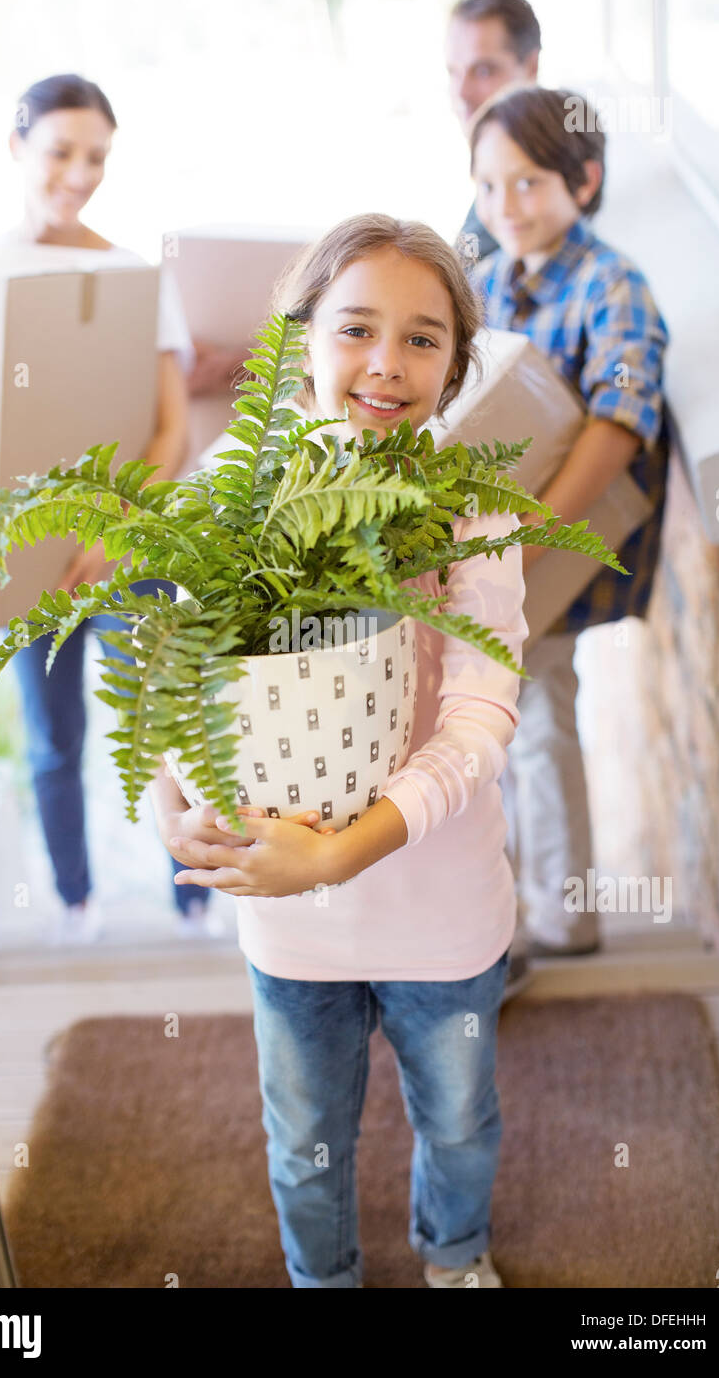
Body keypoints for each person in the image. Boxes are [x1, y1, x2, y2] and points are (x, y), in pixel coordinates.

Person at [148, 213, 530, 1287]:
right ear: (298, 340)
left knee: (458, 1122)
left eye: (422, 338)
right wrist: (172, 799)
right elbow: (180, 683)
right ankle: (324, 1279)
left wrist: (342, 851)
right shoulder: (234, 489)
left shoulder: (468, 512)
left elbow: (479, 717)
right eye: (356, 327)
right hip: (290, 912)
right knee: (307, 1143)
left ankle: (453, 1258)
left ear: (455, 364)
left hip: (440, 909)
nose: (384, 363)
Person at [0, 74, 215, 943]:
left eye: (98, 158)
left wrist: (119, 532)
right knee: (53, 743)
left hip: (132, 548)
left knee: (163, 725)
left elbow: (174, 432)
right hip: (30, 560)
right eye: (61, 152)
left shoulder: (133, 279)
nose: (80, 174)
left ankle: (194, 896)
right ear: (15, 146)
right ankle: (73, 902)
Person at [466, 85, 670, 957]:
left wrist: (533, 534)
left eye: (527, 184)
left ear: (582, 182)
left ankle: (565, 915)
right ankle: (497, 909)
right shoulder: (481, 280)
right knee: (491, 722)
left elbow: (621, 422)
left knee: (542, 714)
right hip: (483, 551)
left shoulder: (612, 285)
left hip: (552, 547)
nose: (505, 206)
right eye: (487, 185)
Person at [444, 0, 541, 261]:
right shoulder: (497, 165)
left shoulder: (549, 176)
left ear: (531, 67)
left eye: (484, 71)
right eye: (453, 72)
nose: (461, 93)